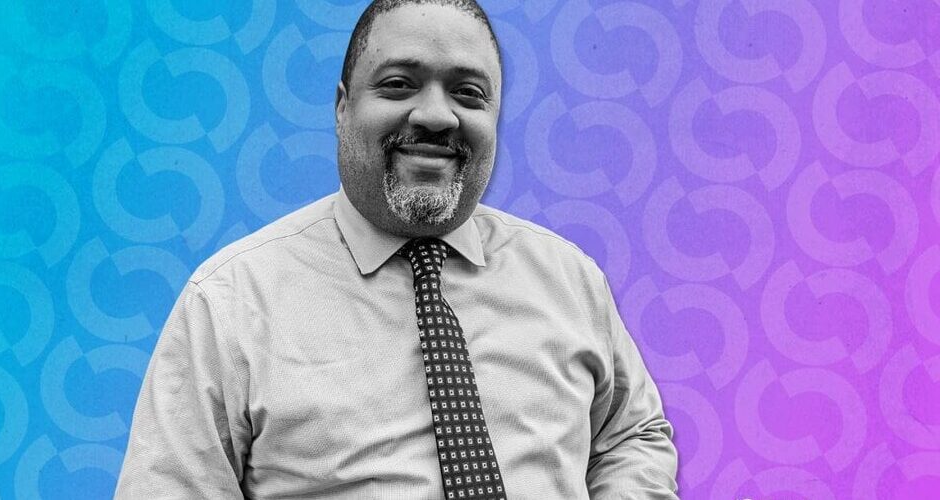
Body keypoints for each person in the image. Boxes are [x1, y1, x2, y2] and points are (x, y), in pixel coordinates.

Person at [114, 0, 678, 498]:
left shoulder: (569, 277)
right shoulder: (229, 302)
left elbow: (631, 435)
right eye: (399, 84)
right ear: (342, 108)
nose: (435, 115)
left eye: (468, 93)